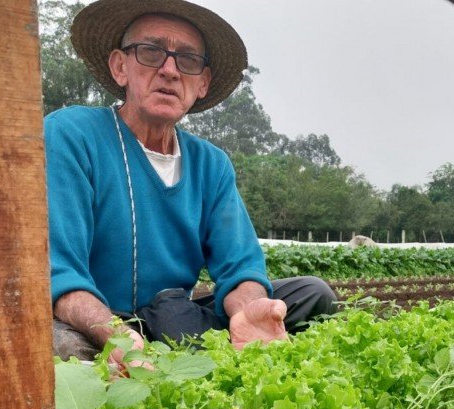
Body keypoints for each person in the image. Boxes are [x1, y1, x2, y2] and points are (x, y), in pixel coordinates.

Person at [46, 0, 336, 366]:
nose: (169, 70)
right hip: (96, 321)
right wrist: (113, 333)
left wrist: (247, 311)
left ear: (202, 83)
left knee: (313, 293)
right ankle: (147, 358)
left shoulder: (210, 163)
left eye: (187, 60)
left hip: (169, 316)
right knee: (58, 344)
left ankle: (198, 349)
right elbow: (59, 270)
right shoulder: (72, 135)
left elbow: (240, 265)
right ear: (120, 66)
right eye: (151, 52)